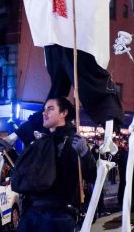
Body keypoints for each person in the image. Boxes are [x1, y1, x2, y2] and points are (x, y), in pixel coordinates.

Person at [17, 97, 96, 232]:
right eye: (44, 109)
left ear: (63, 113)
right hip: (31, 213)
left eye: (50, 109)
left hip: (59, 216)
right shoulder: (41, 140)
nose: (44, 113)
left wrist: (85, 154)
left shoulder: (74, 141)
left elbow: (92, 175)